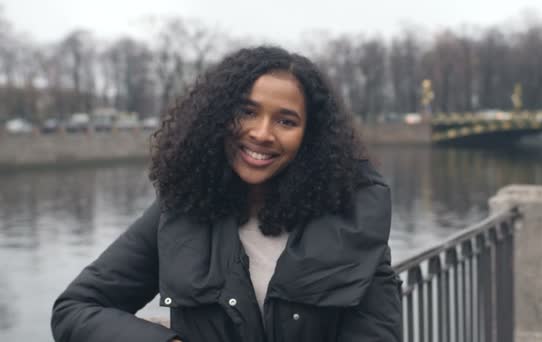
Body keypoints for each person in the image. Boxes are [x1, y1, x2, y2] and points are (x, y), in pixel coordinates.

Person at [51, 46, 402, 342]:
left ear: (310, 137)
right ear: (217, 117)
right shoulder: (179, 213)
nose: (261, 133)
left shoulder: (353, 221)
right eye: (247, 111)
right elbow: (75, 309)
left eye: (286, 121)